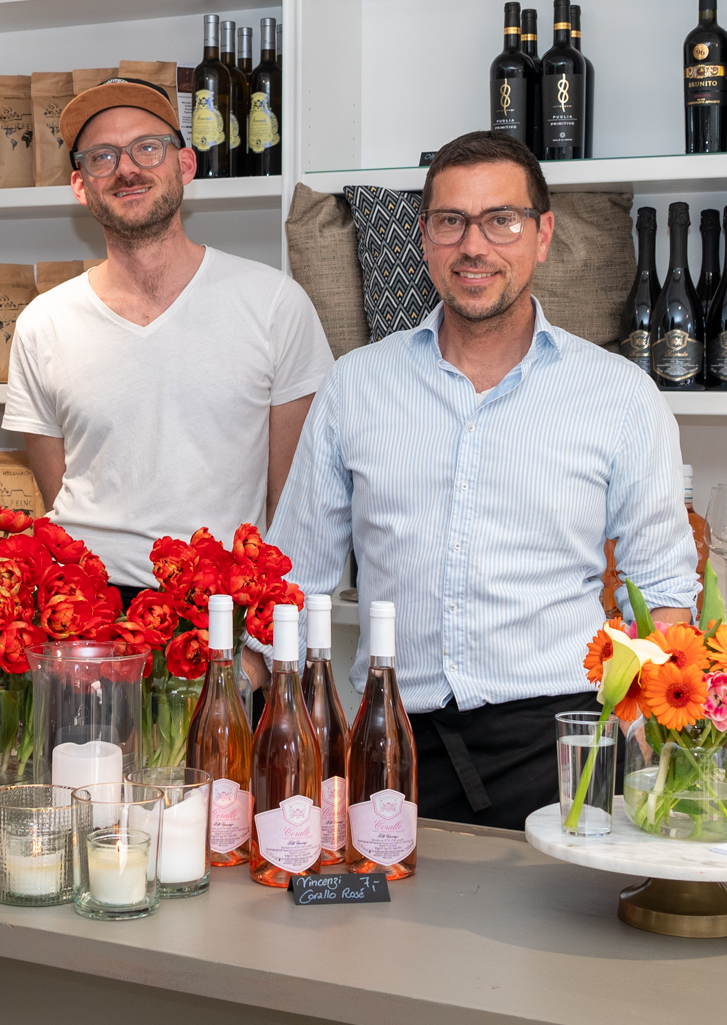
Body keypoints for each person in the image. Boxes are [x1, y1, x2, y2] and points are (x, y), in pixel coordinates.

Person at [266, 130, 699, 829]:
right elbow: (295, 580)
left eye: (501, 220)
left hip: (561, 744)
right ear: (425, 237)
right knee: (384, 937)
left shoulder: (621, 395)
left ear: (542, 234)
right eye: (451, 222)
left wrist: (660, 740)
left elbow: (664, 592)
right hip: (391, 740)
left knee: (555, 938)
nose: (475, 246)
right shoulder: (355, 387)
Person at [5, 79, 332, 605]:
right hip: (85, 613)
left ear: (185, 165)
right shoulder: (44, 321)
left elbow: (294, 504)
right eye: (102, 157)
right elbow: (57, 491)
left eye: (147, 148)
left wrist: (258, 653)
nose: (126, 168)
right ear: (80, 185)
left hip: (219, 608)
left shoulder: (273, 303)